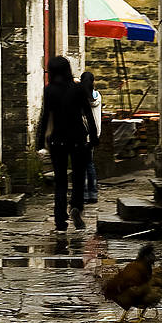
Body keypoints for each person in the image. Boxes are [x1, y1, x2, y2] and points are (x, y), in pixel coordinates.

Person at [36, 56, 98, 233]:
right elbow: (88, 113)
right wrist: (93, 137)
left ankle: (60, 220)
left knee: (60, 181)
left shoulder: (49, 91)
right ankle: (76, 207)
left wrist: (40, 141)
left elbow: (46, 116)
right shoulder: (78, 88)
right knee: (79, 178)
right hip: (78, 139)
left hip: (58, 140)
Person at [80, 71, 102, 204]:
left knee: (82, 165)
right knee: (90, 164)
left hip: (83, 133)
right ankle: (93, 193)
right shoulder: (97, 96)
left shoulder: (82, 97)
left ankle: (84, 193)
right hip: (95, 133)